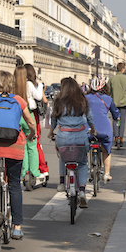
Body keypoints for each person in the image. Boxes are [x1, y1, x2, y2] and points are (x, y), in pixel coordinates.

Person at [0, 70, 36, 240]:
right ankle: (17, 227)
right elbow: (30, 122)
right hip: (13, 145)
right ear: (11, 84)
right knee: (15, 185)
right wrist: (31, 134)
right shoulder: (18, 100)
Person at [49, 77, 94, 208]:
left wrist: (51, 131)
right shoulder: (82, 101)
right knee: (83, 163)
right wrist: (93, 130)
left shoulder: (58, 101)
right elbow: (90, 118)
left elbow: (54, 119)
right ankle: (82, 191)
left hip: (63, 136)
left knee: (63, 154)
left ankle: (62, 182)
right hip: (80, 137)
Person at [86, 77, 120, 182]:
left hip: (88, 129)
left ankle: (84, 167)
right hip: (104, 129)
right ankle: (106, 173)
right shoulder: (108, 99)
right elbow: (116, 114)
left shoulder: (84, 97)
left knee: (83, 147)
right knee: (106, 149)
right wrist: (116, 118)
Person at [13, 66, 40, 191]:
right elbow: (38, 96)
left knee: (22, 145)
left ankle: (24, 173)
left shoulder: (13, 85)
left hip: (16, 114)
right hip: (27, 112)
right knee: (32, 144)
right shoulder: (28, 84)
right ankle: (34, 171)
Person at [24, 63, 49, 186]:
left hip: (23, 113)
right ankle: (40, 169)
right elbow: (40, 97)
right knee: (34, 142)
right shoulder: (30, 84)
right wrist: (40, 86)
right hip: (32, 113)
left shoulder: (23, 84)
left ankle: (26, 170)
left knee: (26, 143)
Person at [107, 61, 126, 149]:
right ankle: (121, 138)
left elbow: (108, 91)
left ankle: (115, 137)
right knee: (122, 121)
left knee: (115, 120)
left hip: (114, 102)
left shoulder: (112, 79)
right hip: (124, 103)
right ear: (123, 69)